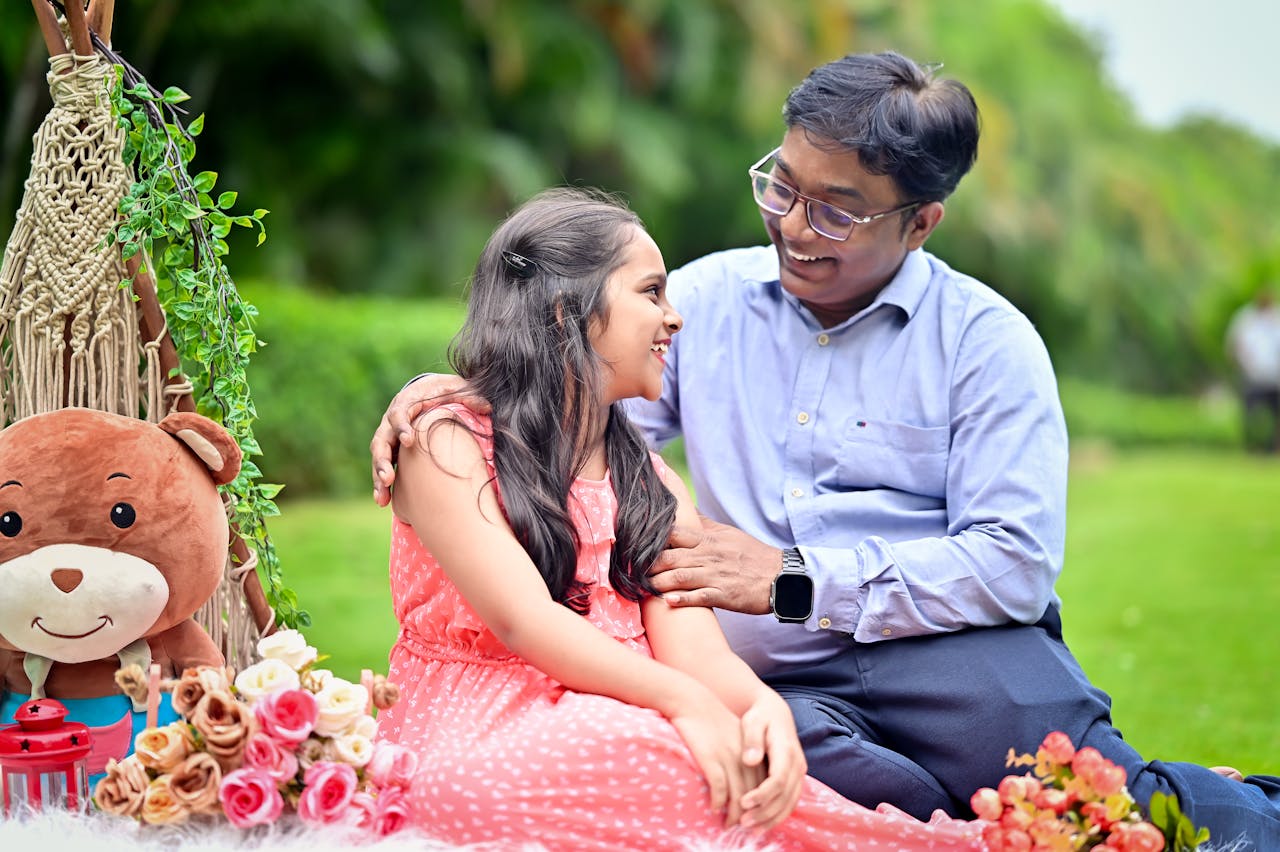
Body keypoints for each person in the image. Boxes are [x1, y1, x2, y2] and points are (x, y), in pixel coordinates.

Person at [371, 54, 1280, 846]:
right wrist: (459, 394)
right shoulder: (707, 300)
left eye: (838, 212)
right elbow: (583, 435)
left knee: (1100, 810)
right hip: (770, 664)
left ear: (919, 223)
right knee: (869, 804)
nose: (796, 226)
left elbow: (1014, 563)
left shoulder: (986, 343)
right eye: (783, 186)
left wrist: (793, 580)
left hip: (950, 651)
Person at [373, 187, 985, 850]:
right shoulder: (446, 444)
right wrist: (686, 704)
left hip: (629, 713)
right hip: (485, 723)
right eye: (651, 292)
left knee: (731, 763)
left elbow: (693, 648)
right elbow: (524, 620)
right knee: (604, 766)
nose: (675, 318)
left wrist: (758, 706)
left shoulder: (652, 481)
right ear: (565, 313)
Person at [1225, 288, 1280, 452]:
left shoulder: (1277, 318)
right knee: (1250, 414)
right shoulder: (1245, 318)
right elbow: (1234, 346)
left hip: (1275, 377)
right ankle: (1251, 446)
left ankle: (1274, 448)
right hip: (1252, 376)